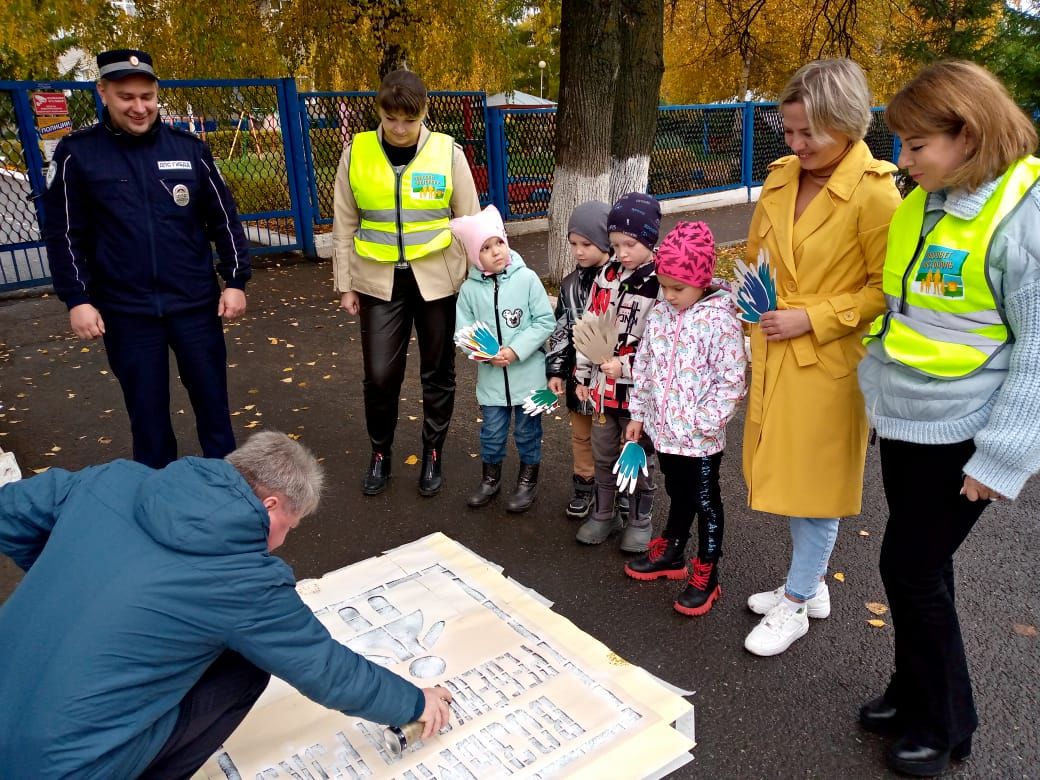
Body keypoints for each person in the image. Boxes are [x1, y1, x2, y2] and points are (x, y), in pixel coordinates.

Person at [0, 432, 452, 779]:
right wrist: (414, 701)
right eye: (289, 527)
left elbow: (10, 512)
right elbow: (326, 669)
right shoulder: (242, 578)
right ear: (271, 505)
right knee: (245, 667)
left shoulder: (113, 477)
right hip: (66, 767)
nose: (280, 541)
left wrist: (68, 574)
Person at [857, 61, 1040, 777]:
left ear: (967, 135)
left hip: (965, 431)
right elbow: (911, 310)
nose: (901, 160)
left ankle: (949, 721)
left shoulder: (1021, 219)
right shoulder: (929, 201)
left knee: (909, 566)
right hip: (909, 419)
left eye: (914, 145)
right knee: (920, 570)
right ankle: (912, 692)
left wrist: (1001, 459)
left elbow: (1036, 355)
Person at [741, 59, 901, 656]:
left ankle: (799, 597)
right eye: (788, 131)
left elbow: (887, 288)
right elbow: (760, 254)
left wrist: (813, 316)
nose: (796, 144)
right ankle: (810, 587)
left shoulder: (877, 192)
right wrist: (746, 298)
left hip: (830, 359)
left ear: (849, 124)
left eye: (810, 133)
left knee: (818, 483)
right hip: (775, 346)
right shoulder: (783, 176)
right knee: (784, 472)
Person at [42, 49, 251, 469]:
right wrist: (77, 299)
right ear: (103, 92)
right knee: (148, 420)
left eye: (147, 96)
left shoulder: (188, 149)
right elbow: (64, 233)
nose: (139, 107)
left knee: (214, 409)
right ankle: (158, 502)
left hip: (193, 305)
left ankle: (228, 496)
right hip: (127, 313)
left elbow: (222, 218)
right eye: (126, 97)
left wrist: (234, 280)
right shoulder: (78, 154)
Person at [332, 69, 481, 498]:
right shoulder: (355, 152)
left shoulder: (447, 153)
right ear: (379, 110)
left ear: (424, 113)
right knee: (380, 375)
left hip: (437, 279)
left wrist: (478, 282)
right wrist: (346, 284)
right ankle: (381, 452)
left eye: (409, 120)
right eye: (390, 117)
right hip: (379, 282)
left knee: (438, 371)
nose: (399, 128)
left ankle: (433, 452)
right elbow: (344, 223)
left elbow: (469, 221)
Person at [623, 222, 747, 616]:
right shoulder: (660, 314)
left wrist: (704, 423)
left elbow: (731, 379)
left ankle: (707, 571)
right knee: (677, 492)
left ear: (703, 280)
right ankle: (672, 551)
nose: (669, 295)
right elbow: (644, 366)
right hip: (664, 432)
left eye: (679, 288)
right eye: (665, 286)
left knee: (706, 501)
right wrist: (640, 414)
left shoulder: (720, 320)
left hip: (699, 438)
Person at [574, 192, 662, 552]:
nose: (622, 253)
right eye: (615, 245)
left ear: (650, 240)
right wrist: (582, 375)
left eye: (630, 244)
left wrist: (624, 365)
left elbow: (661, 346)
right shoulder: (606, 276)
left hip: (637, 396)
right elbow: (589, 326)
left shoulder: (661, 284)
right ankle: (605, 513)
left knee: (635, 454)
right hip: (601, 389)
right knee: (604, 452)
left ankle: (640, 520)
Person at [453, 206, 556, 513]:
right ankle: (490, 478)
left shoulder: (526, 279)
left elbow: (544, 321)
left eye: (499, 242)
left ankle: (527, 481)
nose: (496, 251)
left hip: (530, 377)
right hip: (492, 381)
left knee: (528, 432)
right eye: (485, 248)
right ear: (474, 256)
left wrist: (515, 350)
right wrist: (484, 355)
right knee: (492, 432)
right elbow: (464, 332)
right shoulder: (469, 291)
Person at [545, 200, 613, 520]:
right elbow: (561, 330)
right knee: (581, 437)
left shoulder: (619, 283)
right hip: (578, 380)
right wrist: (556, 369)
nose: (579, 251)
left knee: (611, 437)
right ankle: (584, 486)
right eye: (573, 244)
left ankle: (614, 492)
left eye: (587, 244)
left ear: (604, 240)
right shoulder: (571, 285)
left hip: (613, 380)